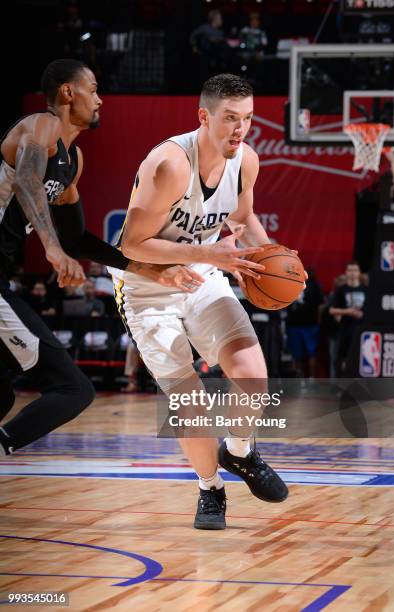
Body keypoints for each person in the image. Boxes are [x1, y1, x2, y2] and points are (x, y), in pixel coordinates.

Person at [109, 73, 289, 531]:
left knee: (252, 373)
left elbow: (243, 219)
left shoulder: (246, 160)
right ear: (204, 116)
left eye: (247, 119)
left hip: (205, 270)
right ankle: (210, 489)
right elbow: (132, 244)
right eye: (230, 118)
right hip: (145, 282)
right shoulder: (170, 164)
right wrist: (210, 252)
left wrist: (267, 263)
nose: (240, 129)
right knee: (190, 402)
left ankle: (240, 452)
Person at [0, 58, 204, 454]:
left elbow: (77, 239)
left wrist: (149, 270)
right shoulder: (40, 127)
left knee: (4, 397)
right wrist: (51, 248)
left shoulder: (72, 162)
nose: (101, 100)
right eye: (93, 89)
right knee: (72, 389)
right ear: (67, 91)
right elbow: (26, 179)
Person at [329, 262, 367, 376]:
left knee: (360, 358)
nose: (352, 273)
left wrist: (362, 314)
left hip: (361, 330)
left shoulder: (366, 289)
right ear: (346, 273)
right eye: (350, 270)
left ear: (359, 273)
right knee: (341, 358)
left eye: (355, 270)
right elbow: (332, 310)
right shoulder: (341, 290)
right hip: (345, 330)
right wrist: (348, 312)